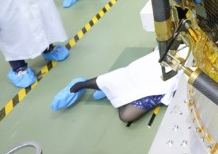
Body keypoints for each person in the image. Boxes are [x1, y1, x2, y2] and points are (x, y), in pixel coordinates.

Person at [50, 50, 181, 124]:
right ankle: (80, 85)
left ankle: (110, 91)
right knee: (133, 77)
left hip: (172, 83)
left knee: (126, 115)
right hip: (173, 60)